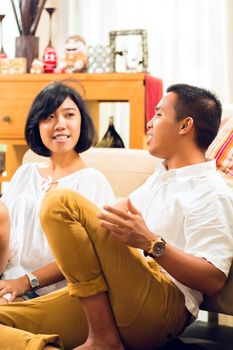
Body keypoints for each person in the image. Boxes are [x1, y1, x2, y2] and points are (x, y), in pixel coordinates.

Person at [0, 83, 232, 350]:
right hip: (115, 296)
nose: (149, 123)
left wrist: (151, 243)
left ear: (184, 126)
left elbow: (213, 280)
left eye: (158, 115)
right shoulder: (160, 178)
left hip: (164, 305)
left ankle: (103, 338)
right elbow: (102, 224)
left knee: (59, 201)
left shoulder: (211, 191)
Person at [0, 81, 115, 304]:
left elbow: (89, 257)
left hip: (60, 295)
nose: (59, 124)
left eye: (69, 115)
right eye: (48, 117)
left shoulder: (93, 181)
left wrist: (25, 282)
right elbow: (7, 243)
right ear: (37, 126)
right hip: (10, 285)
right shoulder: (25, 173)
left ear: (82, 121)